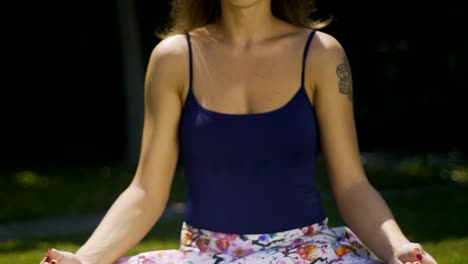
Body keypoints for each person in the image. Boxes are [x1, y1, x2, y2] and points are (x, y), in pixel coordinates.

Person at [40, 0, 438, 263]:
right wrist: (86, 258)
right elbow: (146, 191)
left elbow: (352, 184)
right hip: (205, 253)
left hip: (307, 252)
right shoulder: (174, 58)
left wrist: (398, 248)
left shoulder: (321, 53)